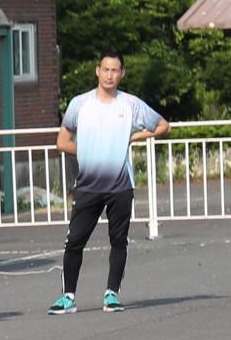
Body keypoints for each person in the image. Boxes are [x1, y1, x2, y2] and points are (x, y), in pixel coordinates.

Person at [51, 53, 169, 314]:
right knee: (74, 241)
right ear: (97, 71)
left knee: (118, 240)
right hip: (88, 186)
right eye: (105, 69)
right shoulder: (80, 104)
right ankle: (67, 297)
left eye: (115, 70)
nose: (109, 75)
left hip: (120, 185)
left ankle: (112, 294)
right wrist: (88, 152)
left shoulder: (130, 104)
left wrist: (136, 136)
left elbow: (163, 125)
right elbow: (62, 141)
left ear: (122, 74)